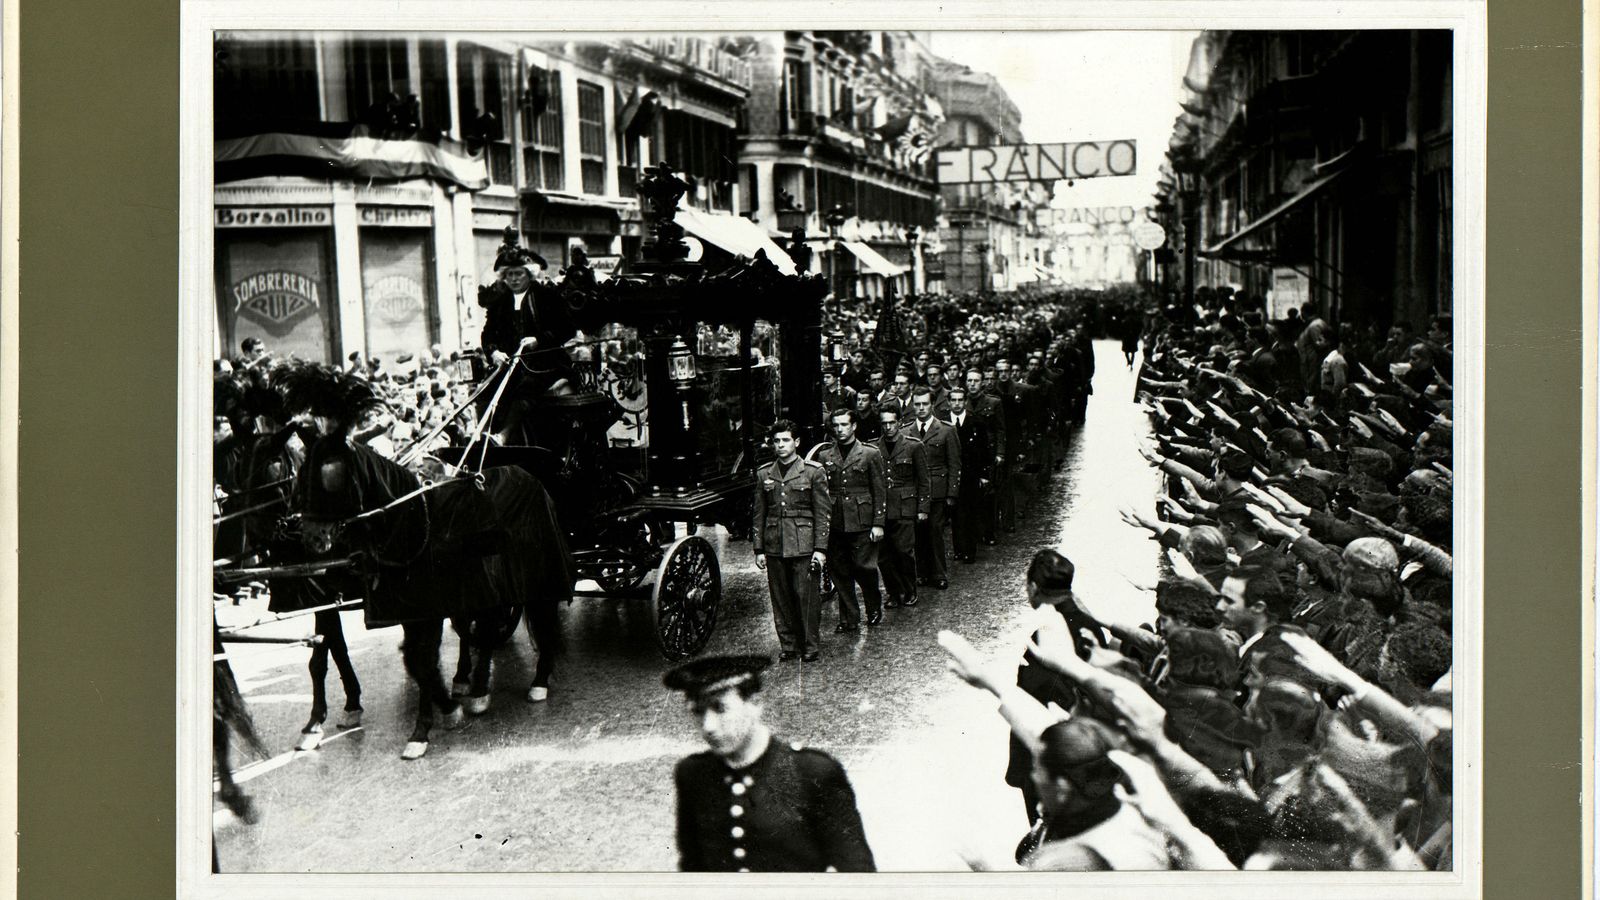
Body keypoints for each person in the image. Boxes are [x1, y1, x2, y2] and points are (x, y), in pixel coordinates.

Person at [667, 655, 876, 872]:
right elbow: (692, 869)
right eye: (698, 712)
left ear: (756, 704)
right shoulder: (692, 775)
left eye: (720, 708)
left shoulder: (813, 772)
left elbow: (857, 873)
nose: (708, 726)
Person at [476, 231, 574, 444]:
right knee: (483, 392)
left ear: (529, 274)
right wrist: (493, 352)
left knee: (525, 389)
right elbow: (488, 334)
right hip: (508, 365)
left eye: (518, 274)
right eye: (509, 274)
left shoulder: (546, 296)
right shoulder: (500, 302)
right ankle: (481, 437)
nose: (513, 279)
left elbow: (567, 328)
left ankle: (504, 435)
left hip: (545, 365)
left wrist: (538, 340)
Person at [751, 420, 830, 662]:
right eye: (777, 441)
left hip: (804, 544)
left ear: (796, 442)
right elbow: (759, 513)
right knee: (781, 598)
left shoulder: (813, 471)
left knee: (806, 597)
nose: (781, 445)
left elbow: (823, 513)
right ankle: (788, 645)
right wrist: (759, 549)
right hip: (775, 544)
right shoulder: (765, 473)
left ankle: (809, 645)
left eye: (786, 440)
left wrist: (820, 549)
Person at [815, 408, 887, 635]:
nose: (840, 430)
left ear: (854, 426)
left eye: (844, 425)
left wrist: (878, 523)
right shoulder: (825, 456)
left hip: (862, 520)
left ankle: (873, 606)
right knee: (839, 571)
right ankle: (849, 618)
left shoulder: (870, 453)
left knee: (864, 567)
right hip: (836, 521)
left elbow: (879, 490)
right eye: (836, 426)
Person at [872, 401, 929, 612]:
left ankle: (910, 590)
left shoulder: (913, 446)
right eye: (884, 423)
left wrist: (923, 508)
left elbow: (923, 480)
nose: (888, 428)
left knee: (904, 552)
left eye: (892, 423)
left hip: (905, 508)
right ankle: (894, 593)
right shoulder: (872, 448)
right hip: (881, 509)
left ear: (900, 422)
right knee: (884, 557)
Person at [909, 388, 959, 590]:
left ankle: (939, 573)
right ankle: (920, 572)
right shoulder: (907, 431)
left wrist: (951, 492)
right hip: (915, 491)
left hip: (937, 490)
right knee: (918, 533)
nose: (921, 408)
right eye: (917, 404)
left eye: (925, 404)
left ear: (932, 405)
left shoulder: (946, 430)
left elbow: (954, 463)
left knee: (935, 532)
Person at [946, 387, 993, 564]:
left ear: (965, 402)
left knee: (971, 513)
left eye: (960, 400)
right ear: (949, 402)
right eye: (953, 400)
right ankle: (958, 549)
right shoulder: (944, 424)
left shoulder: (976, 422)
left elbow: (984, 449)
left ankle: (969, 550)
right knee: (955, 514)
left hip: (971, 475)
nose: (957, 404)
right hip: (952, 475)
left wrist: (983, 474)